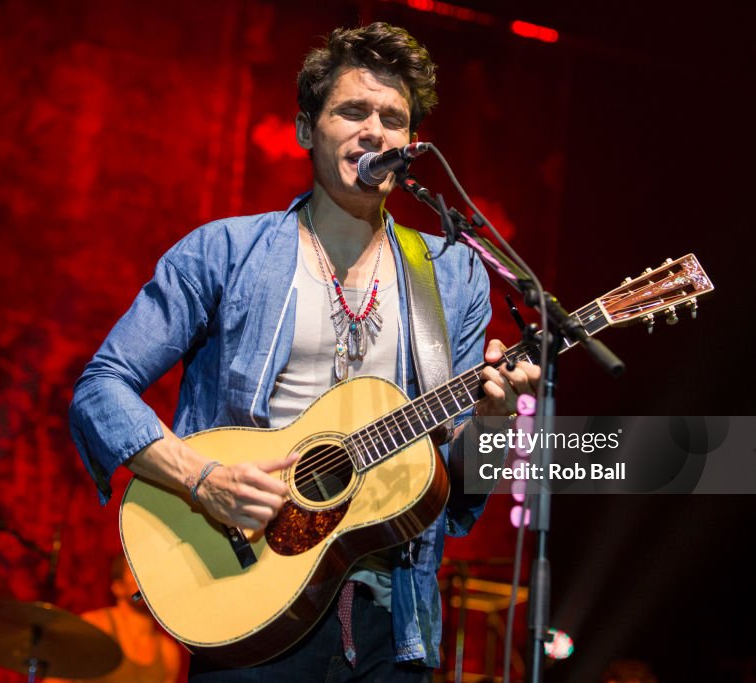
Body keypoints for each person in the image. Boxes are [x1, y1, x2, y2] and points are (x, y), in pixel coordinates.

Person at [69, 21, 540, 682]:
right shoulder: (224, 252)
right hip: (247, 598)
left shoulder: (452, 273)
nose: (374, 130)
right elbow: (101, 389)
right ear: (304, 129)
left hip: (391, 618)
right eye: (353, 111)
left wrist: (493, 424)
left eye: (394, 119)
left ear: (411, 143)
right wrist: (204, 479)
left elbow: (456, 481)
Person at [47, 555, 181, 683]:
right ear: (118, 588)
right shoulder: (95, 625)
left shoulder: (168, 652)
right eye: (137, 570)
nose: (147, 578)